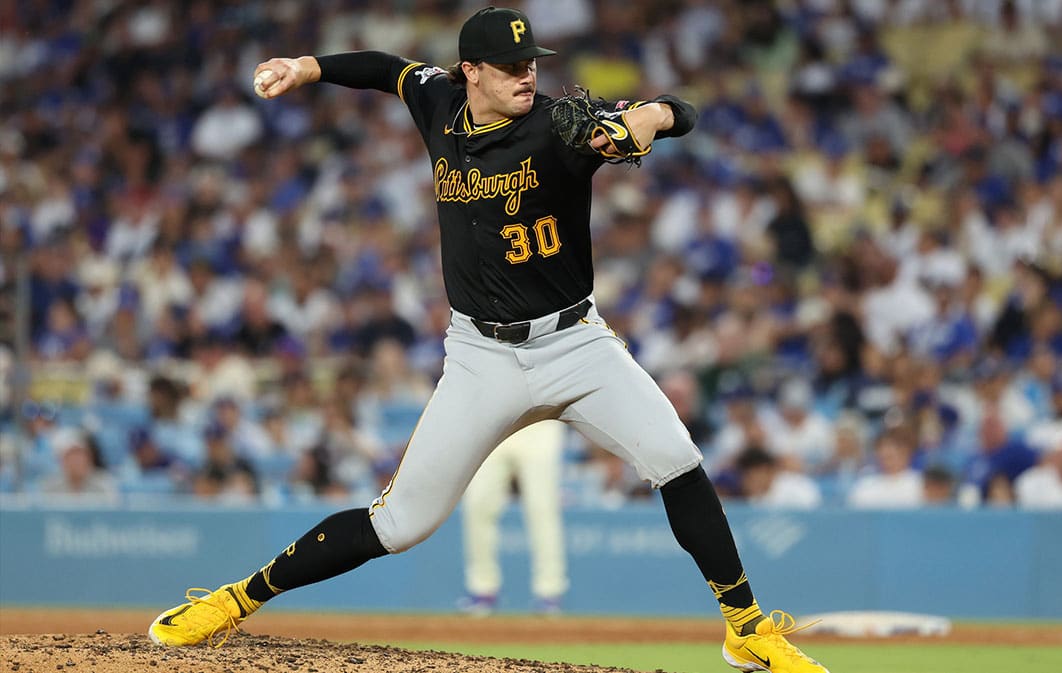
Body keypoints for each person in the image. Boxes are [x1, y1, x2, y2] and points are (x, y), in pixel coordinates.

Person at [147, 8, 828, 672]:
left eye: (529, 63)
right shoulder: (439, 102)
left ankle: (747, 629)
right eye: (507, 66)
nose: (524, 75)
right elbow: (386, 69)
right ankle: (235, 599)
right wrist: (308, 66)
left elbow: (683, 111)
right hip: (481, 356)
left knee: (677, 457)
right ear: (468, 70)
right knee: (400, 525)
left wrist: (646, 117)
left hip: (574, 344)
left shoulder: (562, 132)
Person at [459, 420, 568, 615]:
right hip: (494, 423)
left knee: (542, 509)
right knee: (478, 505)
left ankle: (549, 594)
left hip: (539, 424)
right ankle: (483, 591)